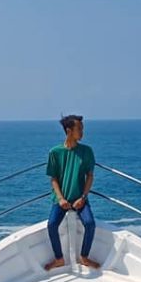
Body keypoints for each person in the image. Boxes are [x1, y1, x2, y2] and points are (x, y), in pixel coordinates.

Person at [44, 114, 100, 271]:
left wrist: (83, 197)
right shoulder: (55, 152)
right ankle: (59, 259)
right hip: (61, 199)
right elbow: (53, 179)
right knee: (52, 225)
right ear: (69, 131)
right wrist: (60, 199)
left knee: (90, 224)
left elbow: (90, 176)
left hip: (80, 198)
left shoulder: (86, 151)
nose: (82, 132)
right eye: (79, 129)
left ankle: (84, 257)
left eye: (82, 129)